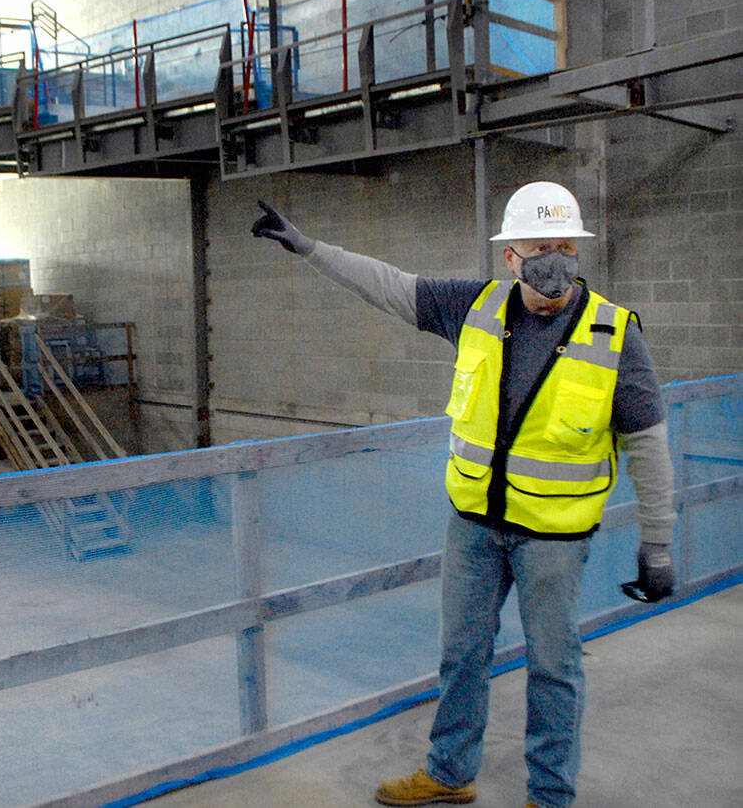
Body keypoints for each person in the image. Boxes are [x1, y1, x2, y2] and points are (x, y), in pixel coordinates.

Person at [250, 181, 677, 808]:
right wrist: (312, 249)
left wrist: (658, 544)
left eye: (565, 245)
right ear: (511, 256)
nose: (553, 258)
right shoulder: (471, 307)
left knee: (554, 668)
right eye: (540, 246)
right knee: (461, 656)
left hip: (554, 539)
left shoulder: (614, 335)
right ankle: (450, 774)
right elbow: (390, 285)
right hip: (474, 525)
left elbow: (649, 444)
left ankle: (550, 795)